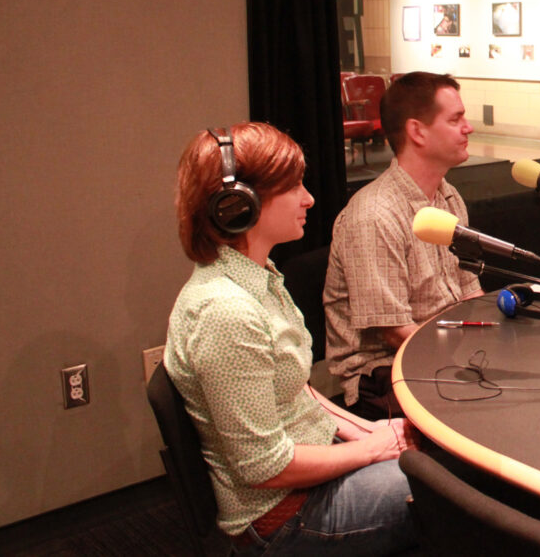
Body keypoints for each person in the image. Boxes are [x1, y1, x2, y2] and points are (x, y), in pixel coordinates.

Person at [165, 122, 420, 554]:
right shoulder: (224, 311)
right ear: (237, 205)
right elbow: (265, 468)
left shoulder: (259, 279)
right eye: (294, 187)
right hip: (284, 515)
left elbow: (295, 391)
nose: (309, 199)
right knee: (461, 497)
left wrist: (371, 431)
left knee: (443, 463)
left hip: (313, 473)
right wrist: (374, 450)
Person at [325, 72, 482, 420]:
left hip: (440, 353)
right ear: (417, 132)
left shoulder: (449, 197)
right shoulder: (373, 215)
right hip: (384, 374)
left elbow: (470, 293)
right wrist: (466, 363)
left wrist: (491, 343)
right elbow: (396, 331)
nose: (468, 128)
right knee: (491, 414)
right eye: (455, 119)